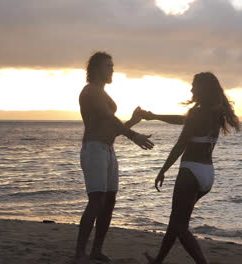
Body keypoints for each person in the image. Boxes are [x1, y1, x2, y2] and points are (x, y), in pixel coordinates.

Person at [143, 72, 241, 264]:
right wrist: (153, 116)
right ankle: (158, 261)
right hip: (207, 175)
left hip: (190, 172)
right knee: (176, 221)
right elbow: (182, 120)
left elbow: (180, 144)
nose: (191, 89)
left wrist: (162, 170)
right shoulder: (215, 111)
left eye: (194, 86)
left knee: (180, 226)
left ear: (203, 89)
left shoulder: (199, 113)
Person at [75, 51, 154, 264]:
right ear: (97, 69)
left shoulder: (102, 92)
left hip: (108, 149)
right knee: (96, 201)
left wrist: (133, 122)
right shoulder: (90, 91)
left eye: (112, 65)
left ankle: (96, 251)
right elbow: (109, 118)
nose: (112, 69)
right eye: (108, 66)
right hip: (94, 150)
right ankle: (79, 254)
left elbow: (112, 129)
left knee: (109, 201)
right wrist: (133, 135)